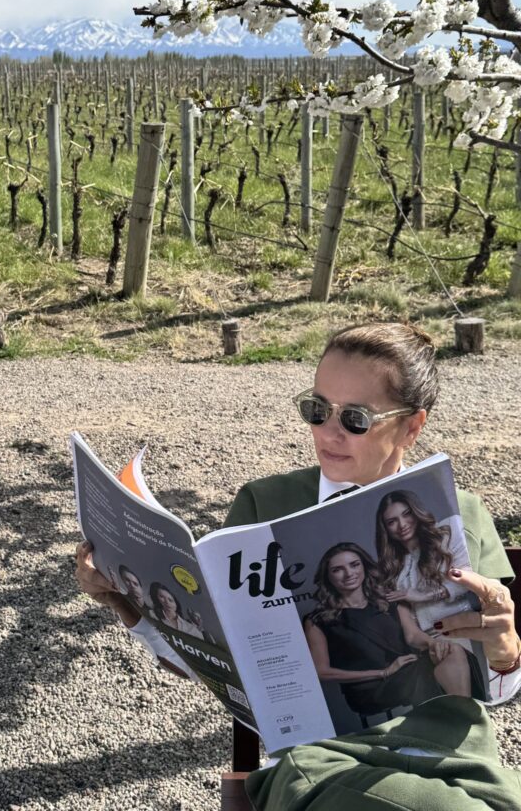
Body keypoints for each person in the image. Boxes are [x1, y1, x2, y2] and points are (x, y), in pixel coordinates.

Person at [75, 323, 520, 809]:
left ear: (412, 426)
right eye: (316, 410)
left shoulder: (459, 513)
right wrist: (129, 606)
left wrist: (505, 650)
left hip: (457, 759)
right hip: (323, 763)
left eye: (355, 418)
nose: (328, 433)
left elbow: (494, 692)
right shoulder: (264, 505)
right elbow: (220, 669)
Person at [304, 541, 471, 719]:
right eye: (338, 569)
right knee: (427, 671)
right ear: (327, 576)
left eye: (354, 565)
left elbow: (413, 636)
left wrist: (433, 643)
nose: (349, 574)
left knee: (451, 650)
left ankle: (460, 716)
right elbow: (322, 672)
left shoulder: (390, 600)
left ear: (364, 566)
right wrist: (384, 672)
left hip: (408, 668)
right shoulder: (318, 620)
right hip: (370, 688)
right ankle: (459, 721)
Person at [375, 489, 476, 632]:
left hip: (466, 625)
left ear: (416, 512)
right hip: (428, 642)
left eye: (407, 514)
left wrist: (424, 595)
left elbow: (472, 575)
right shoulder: (391, 567)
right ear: (385, 529)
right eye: (392, 522)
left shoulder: (448, 532)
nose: (402, 524)